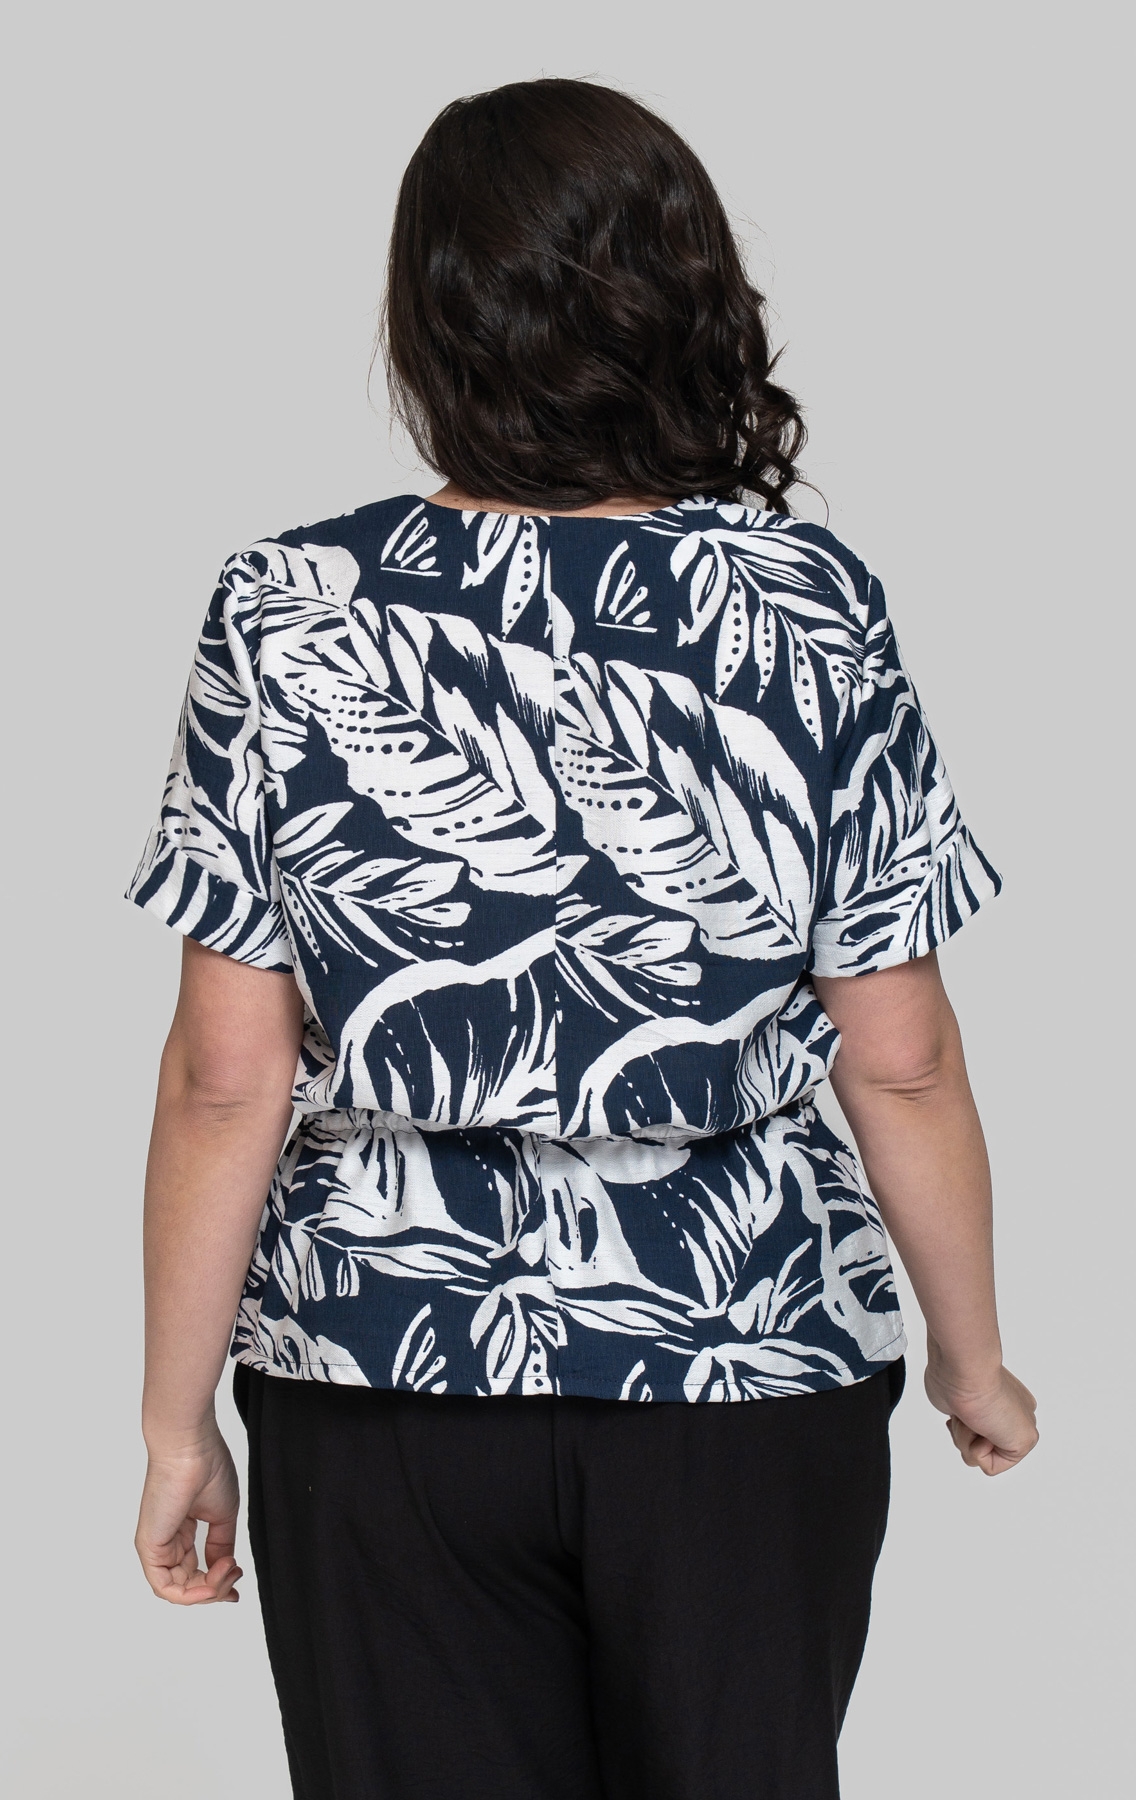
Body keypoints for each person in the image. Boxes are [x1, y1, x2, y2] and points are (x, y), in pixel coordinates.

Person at [128, 77, 1037, 1800]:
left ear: (430, 322)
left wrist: (177, 1425)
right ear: (685, 293)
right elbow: (902, 1054)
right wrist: (970, 1355)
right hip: (745, 1359)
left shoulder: (286, 606)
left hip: (383, 1373)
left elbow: (223, 1079)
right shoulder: (807, 601)